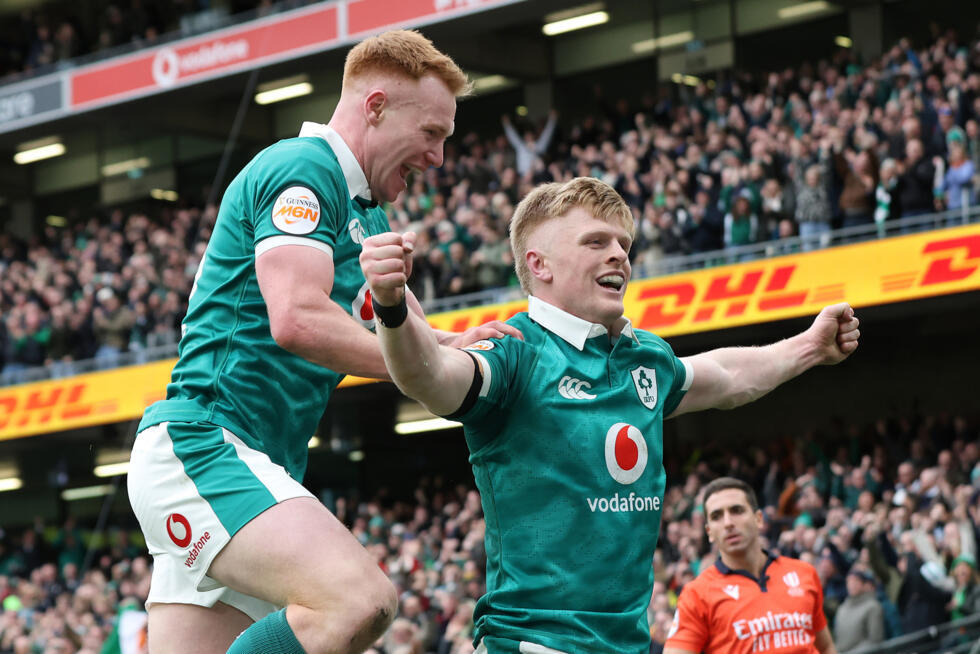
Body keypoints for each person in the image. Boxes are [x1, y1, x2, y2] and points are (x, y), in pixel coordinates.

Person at [127, 30, 516, 654]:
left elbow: (410, 336)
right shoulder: (303, 169)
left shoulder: (367, 216)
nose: (440, 157)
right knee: (359, 602)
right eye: (433, 133)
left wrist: (453, 344)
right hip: (206, 447)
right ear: (377, 106)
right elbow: (298, 318)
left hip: (247, 463)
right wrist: (430, 360)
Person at [359, 176, 860, 654]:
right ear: (541, 264)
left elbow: (726, 376)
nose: (619, 253)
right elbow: (429, 378)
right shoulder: (514, 352)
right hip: (534, 644)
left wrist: (808, 348)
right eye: (596, 241)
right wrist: (392, 306)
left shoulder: (643, 356)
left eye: (623, 242)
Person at [663, 477, 839, 654]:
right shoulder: (697, 594)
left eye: (736, 510)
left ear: (759, 519)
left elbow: (826, 647)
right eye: (717, 516)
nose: (728, 523)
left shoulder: (804, 573)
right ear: (709, 532)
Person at [833, 567, 885, 652]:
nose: (851, 584)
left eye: (855, 581)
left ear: (864, 585)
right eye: (849, 581)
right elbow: (838, 640)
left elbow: (875, 640)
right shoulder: (841, 609)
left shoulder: (873, 607)